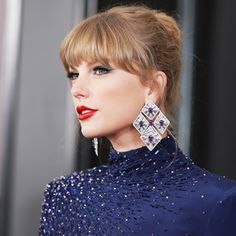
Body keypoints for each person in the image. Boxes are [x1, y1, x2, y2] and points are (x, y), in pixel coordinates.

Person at [39, 5, 236, 236]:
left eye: (100, 70)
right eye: (74, 74)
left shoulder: (218, 201)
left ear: (152, 87)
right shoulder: (65, 196)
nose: (77, 90)